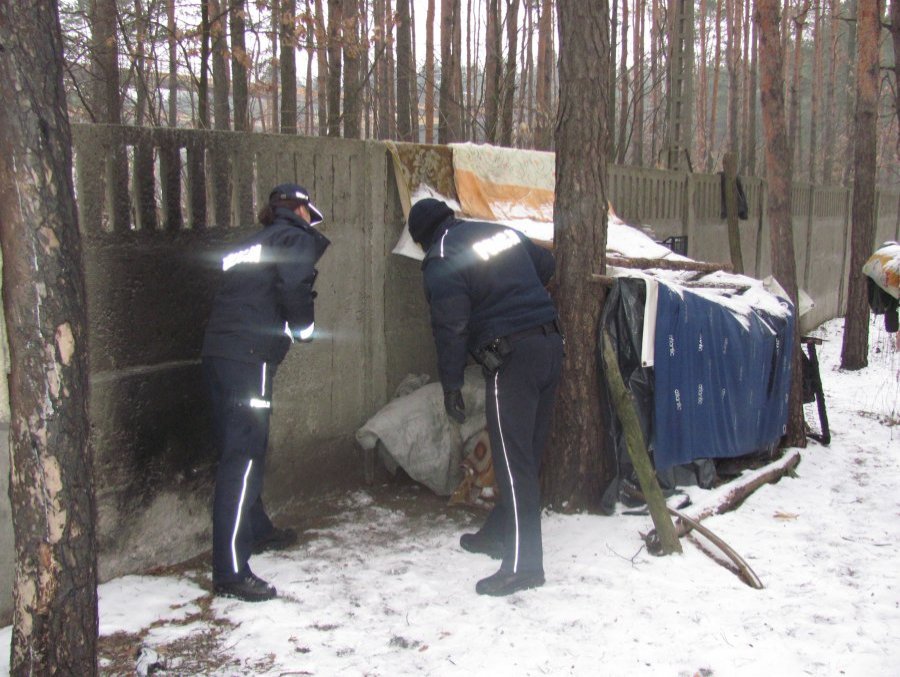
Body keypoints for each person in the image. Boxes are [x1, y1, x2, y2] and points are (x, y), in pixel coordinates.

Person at [407, 198, 564, 597]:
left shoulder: (442, 255)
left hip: (512, 357)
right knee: (524, 453)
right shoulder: (495, 230)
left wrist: (451, 383)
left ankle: (523, 566)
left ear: (421, 239)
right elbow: (547, 267)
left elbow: (451, 325)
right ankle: (498, 532)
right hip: (550, 345)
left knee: (513, 464)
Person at [201, 183, 330, 602]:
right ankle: (230, 571)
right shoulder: (293, 236)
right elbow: (294, 288)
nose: (312, 220)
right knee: (243, 456)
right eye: (310, 212)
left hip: (219, 354)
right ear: (297, 209)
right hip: (250, 357)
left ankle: (256, 529)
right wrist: (304, 329)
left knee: (239, 446)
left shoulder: (250, 243)